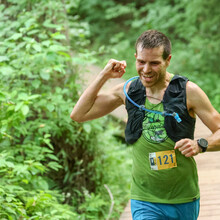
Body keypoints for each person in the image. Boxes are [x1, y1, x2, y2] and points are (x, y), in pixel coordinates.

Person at [70, 30, 220, 220]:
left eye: (154, 63)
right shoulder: (128, 91)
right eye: (141, 62)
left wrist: (200, 145)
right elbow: (78, 114)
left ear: (168, 60)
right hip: (144, 199)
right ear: (135, 58)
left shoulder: (188, 91)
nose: (146, 69)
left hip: (183, 198)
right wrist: (103, 76)